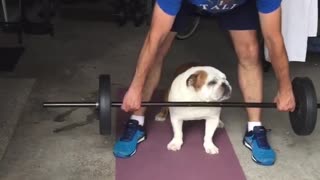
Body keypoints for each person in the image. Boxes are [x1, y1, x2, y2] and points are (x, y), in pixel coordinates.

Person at [113, 0, 296, 166]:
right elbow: (154, 39)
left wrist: (286, 89)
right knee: (159, 48)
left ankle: (254, 129)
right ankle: (136, 120)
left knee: (250, 52)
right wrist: (135, 88)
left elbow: (274, 39)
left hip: (240, 8)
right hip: (186, 3)